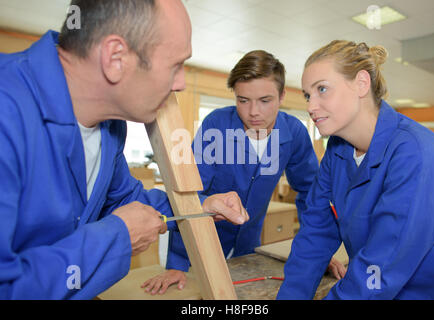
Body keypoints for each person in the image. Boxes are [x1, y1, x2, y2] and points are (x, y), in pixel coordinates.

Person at [0, 0, 248, 300]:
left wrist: (198, 209)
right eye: (175, 66)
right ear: (115, 58)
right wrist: (117, 238)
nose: (182, 83)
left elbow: (122, 199)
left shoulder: (111, 127)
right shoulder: (7, 112)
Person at [142, 50, 347, 295]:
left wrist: (318, 252)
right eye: (243, 100)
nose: (253, 112)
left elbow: (311, 195)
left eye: (265, 100)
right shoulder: (216, 125)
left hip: (249, 245)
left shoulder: (295, 133)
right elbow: (188, 194)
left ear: (282, 96)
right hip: (201, 244)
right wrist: (177, 264)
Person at [277, 40, 434, 299]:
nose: (311, 107)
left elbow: (381, 267)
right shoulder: (337, 150)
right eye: (307, 95)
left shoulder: (416, 153)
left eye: (322, 89)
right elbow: (315, 234)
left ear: (361, 83)